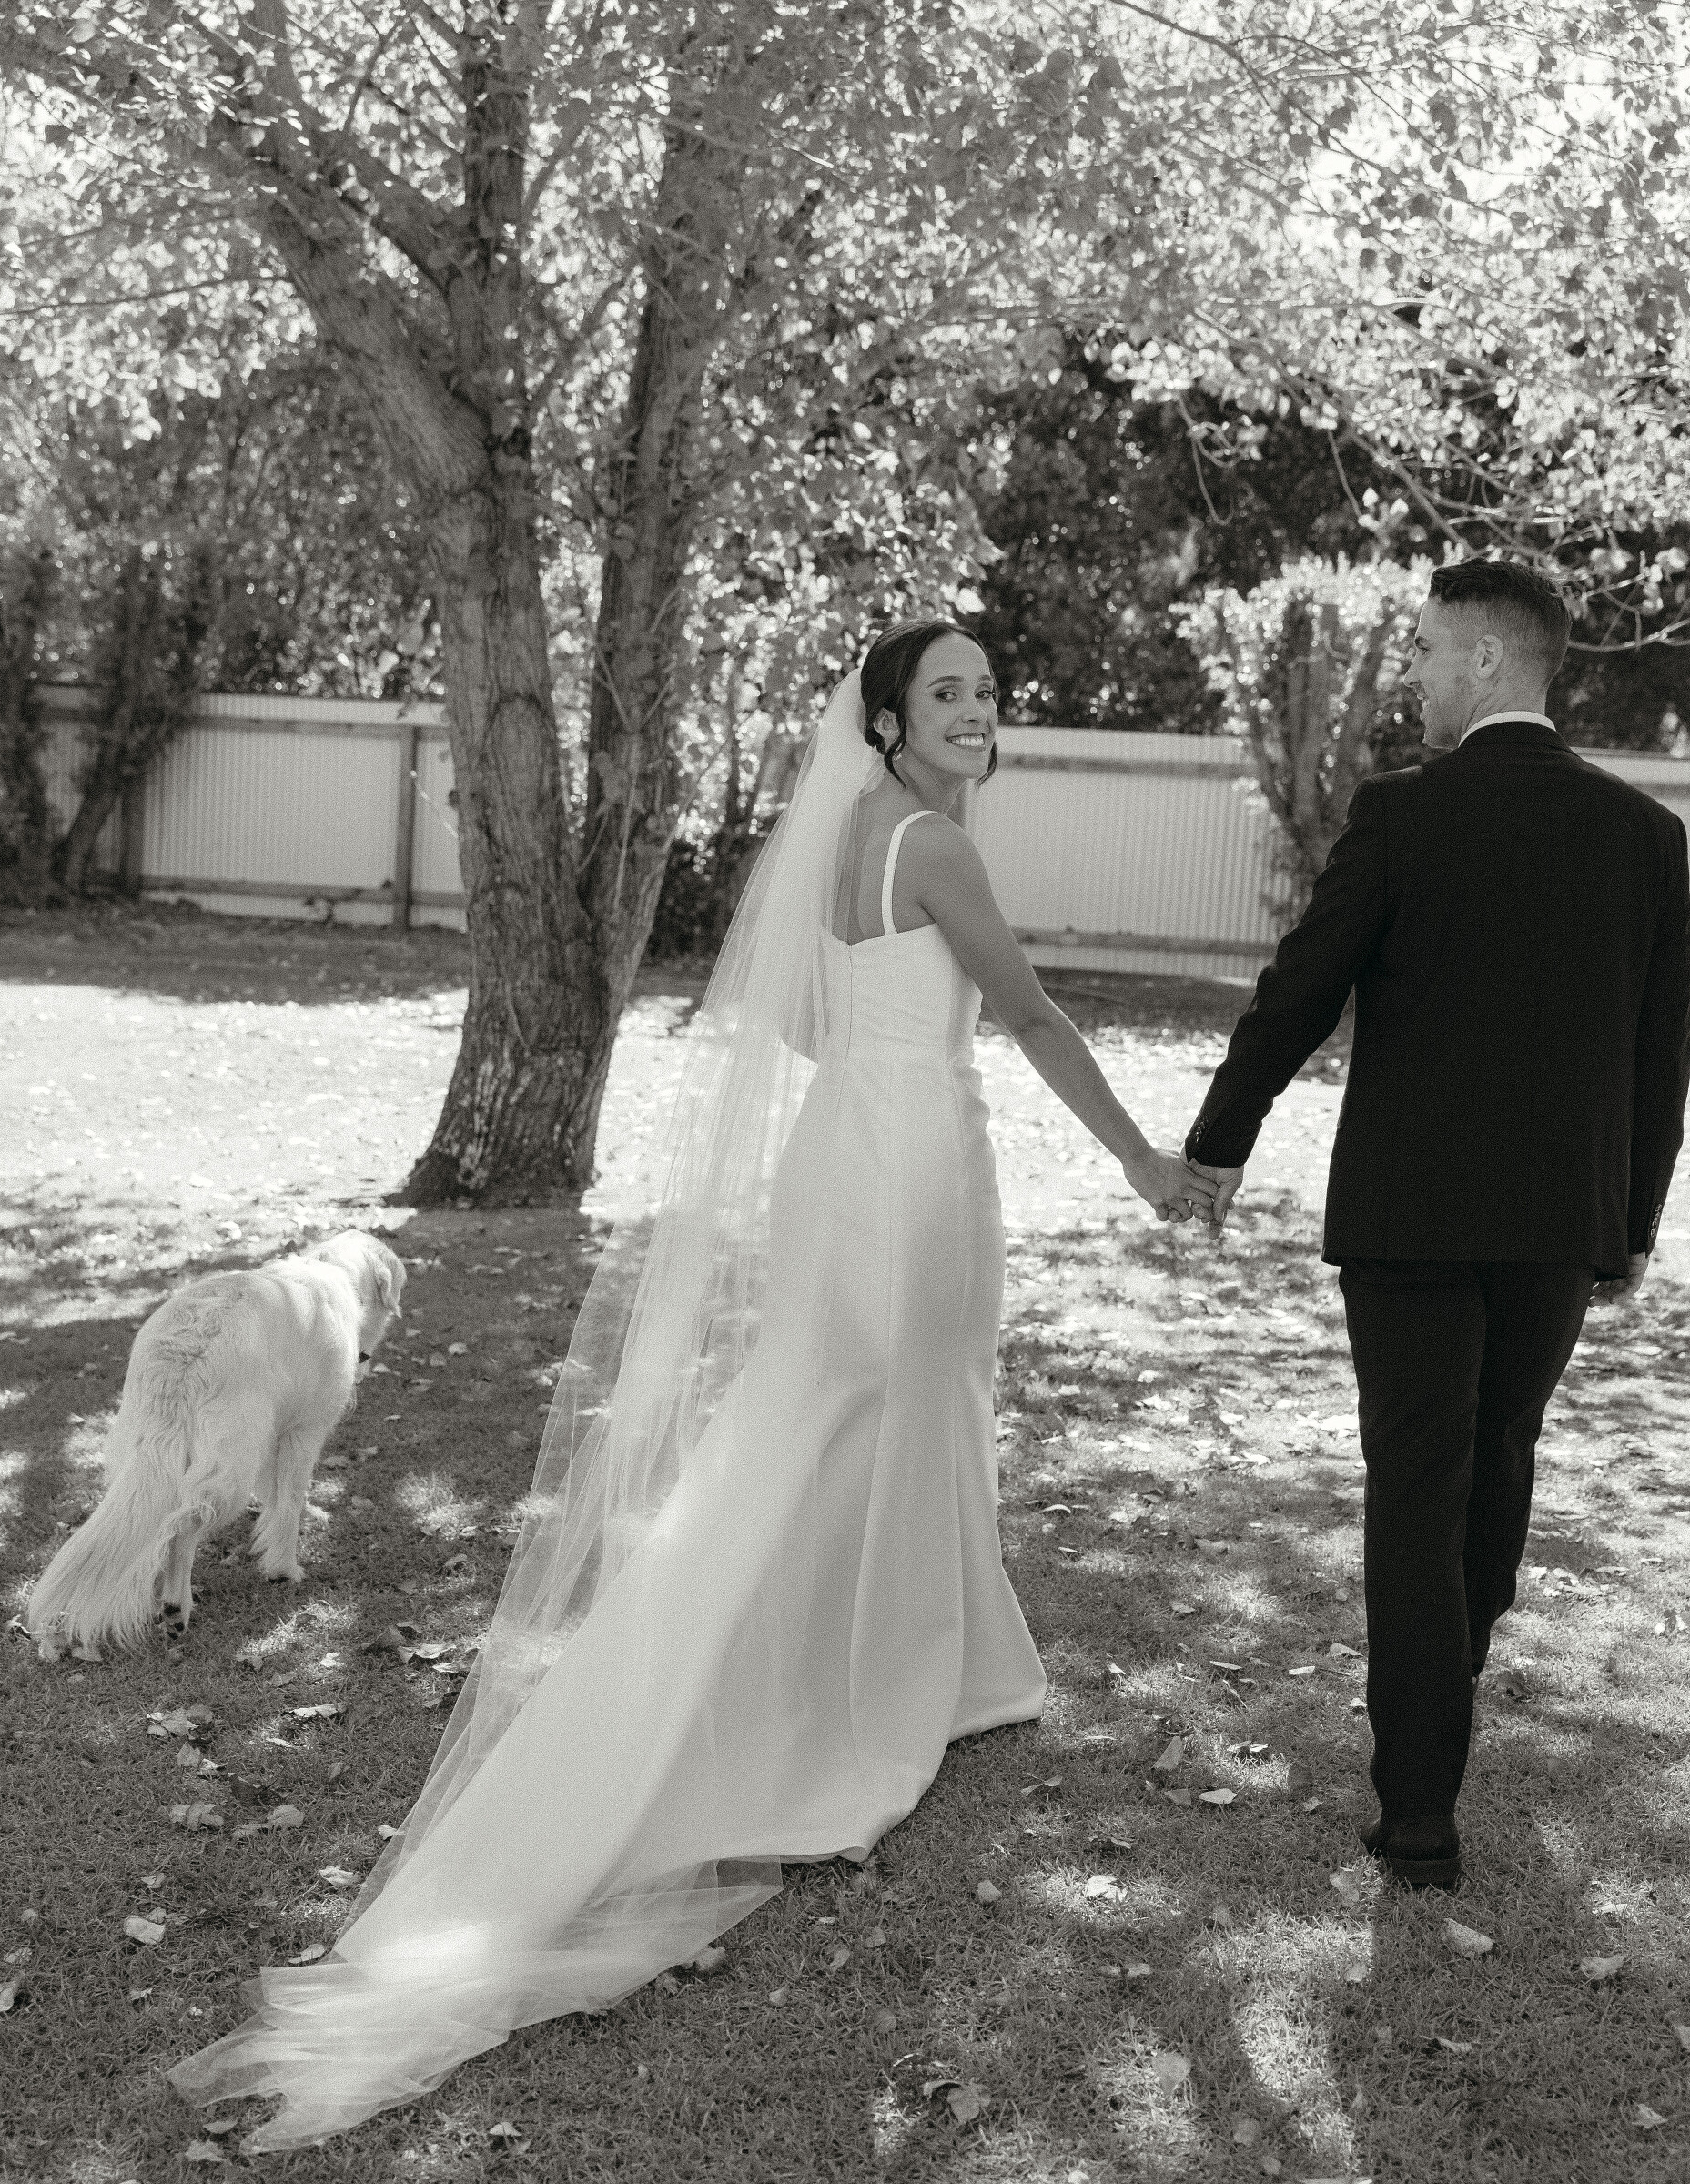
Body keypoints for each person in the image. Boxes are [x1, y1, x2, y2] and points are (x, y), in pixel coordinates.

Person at [172, 619, 1217, 2147]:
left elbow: (792, 1012)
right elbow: (1036, 1013)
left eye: (991, 689)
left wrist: (878, 1060)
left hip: (843, 1154)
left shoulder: (847, 832)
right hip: (917, 1164)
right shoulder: (934, 846)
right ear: (887, 718)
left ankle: (918, 1656)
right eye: (948, 692)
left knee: (837, 1419)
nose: (979, 708)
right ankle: (897, 1678)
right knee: (912, 1405)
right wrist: (1141, 1161)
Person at [1185, 559, 1690, 1890]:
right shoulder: (1648, 837)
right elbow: (1664, 1057)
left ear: (1486, 660)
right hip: (1559, 1221)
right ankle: (1442, 1691)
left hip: (1409, 1218)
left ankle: (1419, 1804)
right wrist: (1633, 1221)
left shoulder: (1401, 813)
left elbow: (1302, 987)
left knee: (1419, 1484)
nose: (1412, 675)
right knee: (1499, 1456)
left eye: (1421, 651)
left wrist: (1220, 1141)